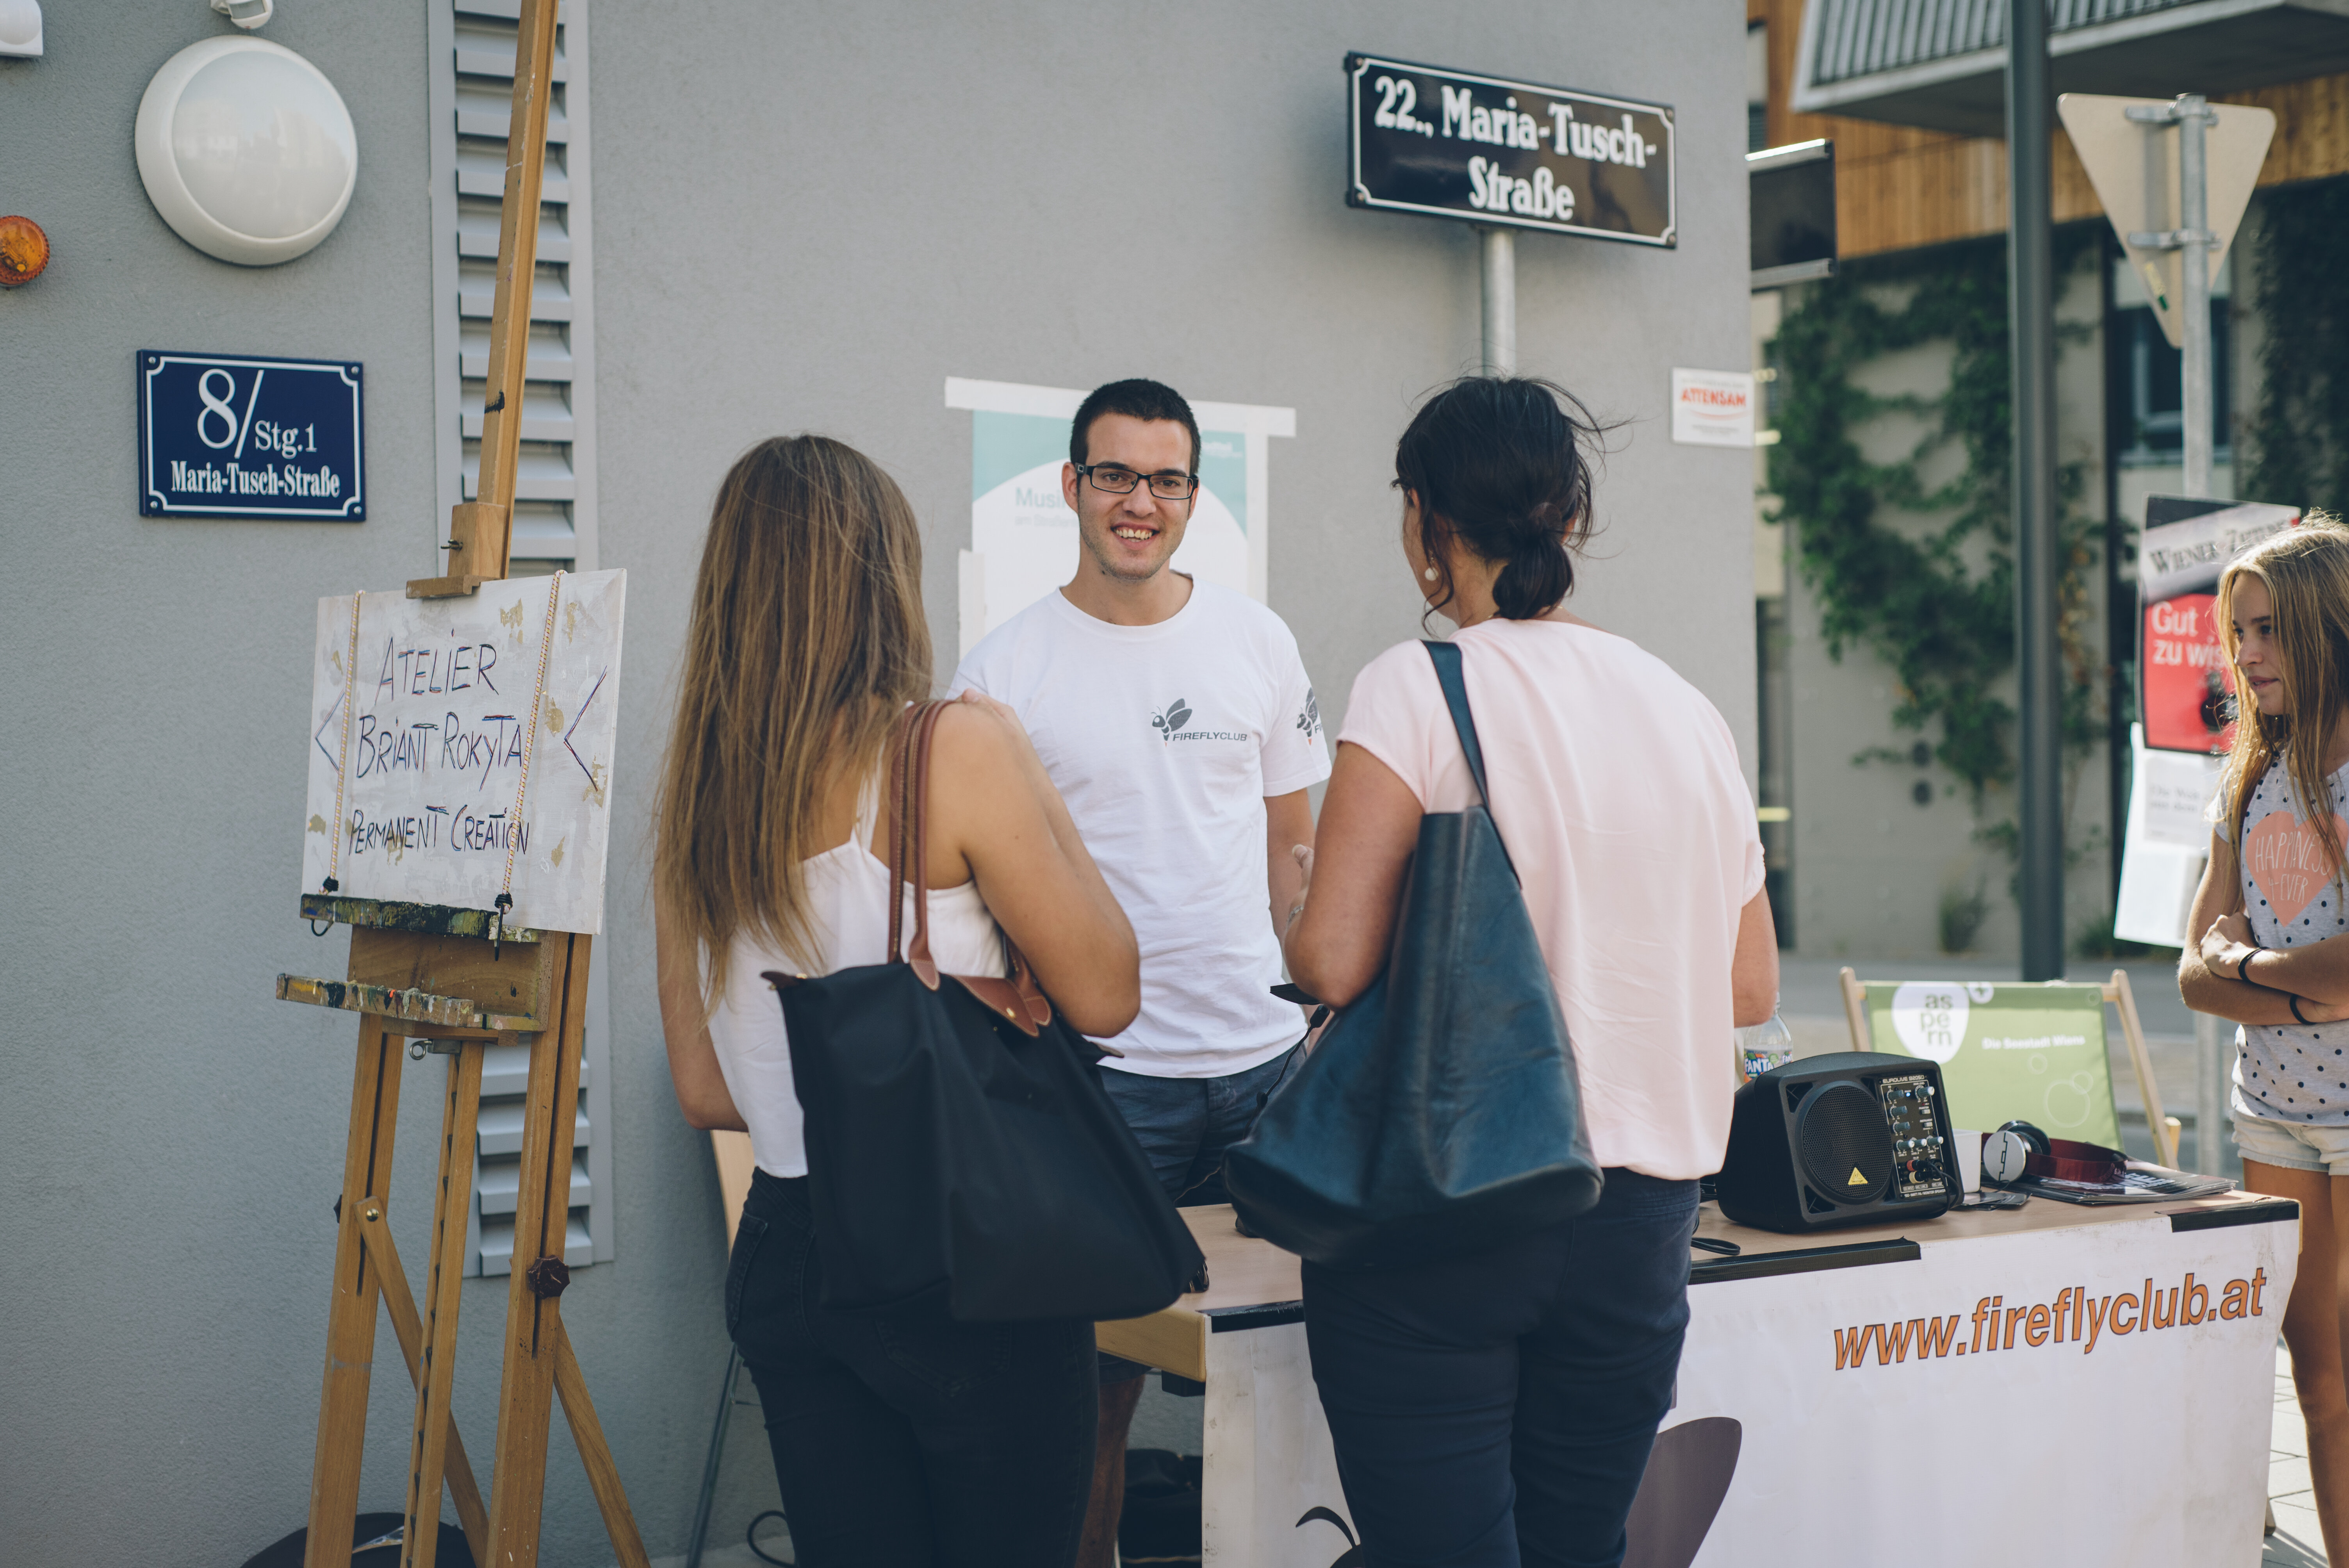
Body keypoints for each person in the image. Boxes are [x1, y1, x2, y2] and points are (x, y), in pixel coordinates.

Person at [1280, 377, 1779, 1568]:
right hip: (1642, 1228)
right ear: (1572, 514)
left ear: (1422, 519)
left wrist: (1302, 891)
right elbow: (1748, 989)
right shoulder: (1688, 709)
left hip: (1448, 1204)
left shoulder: (1418, 685)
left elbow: (1335, 961)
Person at [652, 435, 1141, 1568]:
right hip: (960, 1258)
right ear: (883, 572)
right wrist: (1022, 762)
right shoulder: (949, 747)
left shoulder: (698, 795)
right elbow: (1108, 993)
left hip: (786, 1251)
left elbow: (703, 1090)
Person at [948, 378, 1330, 1565]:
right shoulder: (1003, 671)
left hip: (1269, 1072)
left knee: (1296, 1364)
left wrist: (1319, 1016)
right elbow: (977, 898)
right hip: (1109, 1084)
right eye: (1114, 474)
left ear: (1192, 497)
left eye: (1166, 479)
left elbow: (1292, 846)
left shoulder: (1256, 639)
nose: (1139, 502)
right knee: (1092, 1390)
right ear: (1071, 486)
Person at [2183, 521, 2349, 1567]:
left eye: (2268, 631)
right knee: (2318, 1375)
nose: (2246, 656)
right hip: (2276, 1114)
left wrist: (2251, 972)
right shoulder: (2246, 781)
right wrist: (2288, 988)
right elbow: (2195, 976)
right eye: (2239, 632)